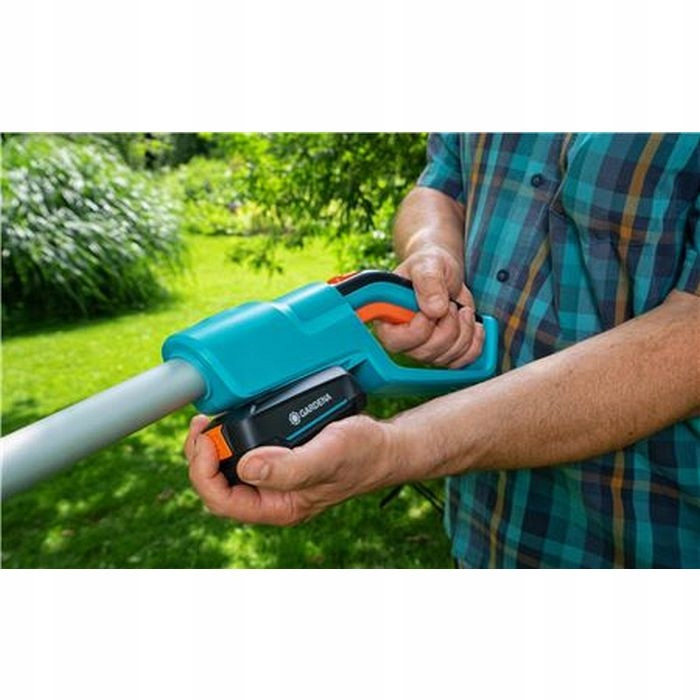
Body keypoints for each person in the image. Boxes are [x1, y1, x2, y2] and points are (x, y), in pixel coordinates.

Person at [184, 133, 700, 568]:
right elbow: (439, 186)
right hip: (489, 528)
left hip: (647, 536)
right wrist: (429, 252)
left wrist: (397, 449)